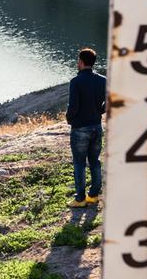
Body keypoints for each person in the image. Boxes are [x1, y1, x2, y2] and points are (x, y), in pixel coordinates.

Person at [66, 48, 106, 208]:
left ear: (81, 62)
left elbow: (73, 107)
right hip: (96, 126)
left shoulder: (76, 82)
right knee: (95, 161)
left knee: (79, 163)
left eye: (78, 61)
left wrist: (69, 118)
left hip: (80, 128)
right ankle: (94, 195)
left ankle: (80, 198)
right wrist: (99, 111)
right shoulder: (103, 80)